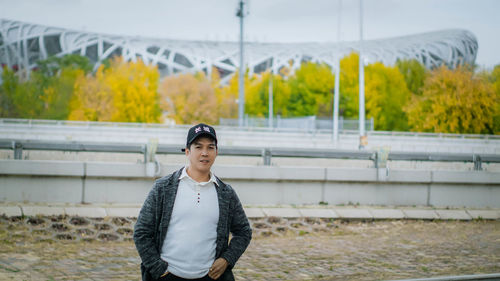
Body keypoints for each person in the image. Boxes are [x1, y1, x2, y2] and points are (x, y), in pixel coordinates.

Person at [134, 123, 252, 281]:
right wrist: (157, 268)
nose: (205, 153)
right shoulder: (163, 188)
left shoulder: (226, 193)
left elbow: (244, 232)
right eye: (198, 147)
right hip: (169, 275)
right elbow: (141, 232)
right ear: (188, 151)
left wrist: (226, 260)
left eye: (210, 147)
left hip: (209, 277)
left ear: (216, 152)